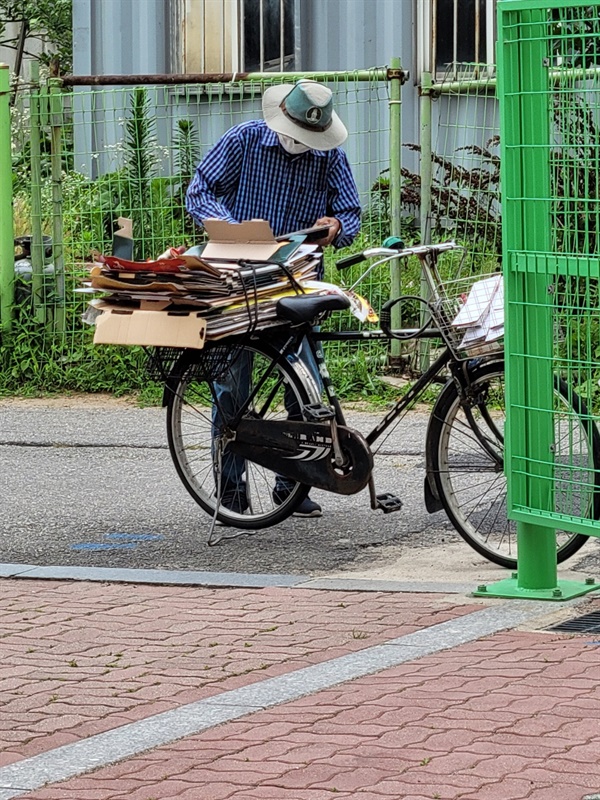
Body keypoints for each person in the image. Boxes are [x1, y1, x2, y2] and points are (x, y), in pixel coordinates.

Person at [186, 79, 361, 518]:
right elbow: (199, 191)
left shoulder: (328, 154)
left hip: (298, 283)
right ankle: (230, 493)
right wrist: (235, 231)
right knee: (232, 387)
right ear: (281, 117)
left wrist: (336, 226)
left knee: (304, 390)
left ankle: (293, 487)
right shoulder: (245, 140)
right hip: (240, 280)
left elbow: (352, 212)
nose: (302, 143)